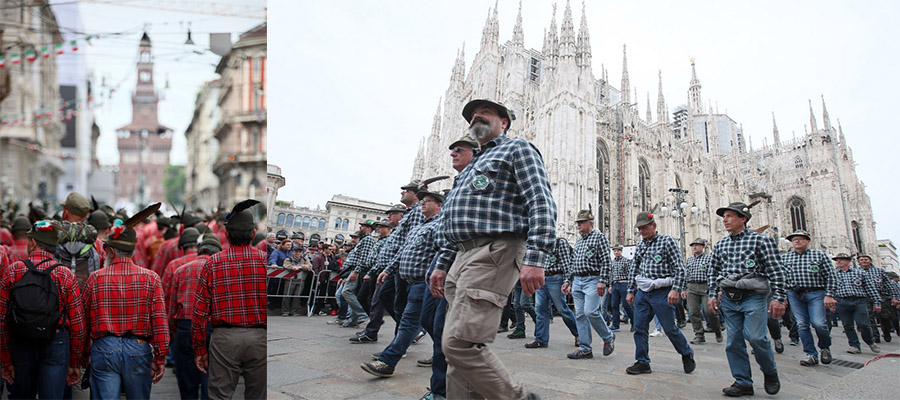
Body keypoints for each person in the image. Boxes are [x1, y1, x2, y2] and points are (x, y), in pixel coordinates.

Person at [429, 98, 555, 400]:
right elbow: (454, 220)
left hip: (495, 251)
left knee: (460, 344)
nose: (476, 118)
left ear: (504, 122)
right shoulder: (472, 166)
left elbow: (540, 201)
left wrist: (536, 258)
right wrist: (443, 262)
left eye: (484, 113)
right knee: (462, 353)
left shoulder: (517, 149)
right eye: (472, 115)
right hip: (462, 256)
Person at [82, 204, 169, 399]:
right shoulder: (151, 278)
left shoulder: (95, 278)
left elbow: (83, 323)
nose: (103, 253)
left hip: (104, 348)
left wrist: (81, 354)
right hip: (138, 348)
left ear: (111, 252)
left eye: (105, 249)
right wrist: (161, 356)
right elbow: (160, 323)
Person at [362, 189, 444, 379]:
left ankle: (388, 361)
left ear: (439, 205)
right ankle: (443, 354)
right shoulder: (418, 227)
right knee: (427, 322)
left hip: (422, 281)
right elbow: (402, 252)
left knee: (410, 321)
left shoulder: (441, 224)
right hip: (406, 280)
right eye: (422, 200)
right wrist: (388, 270)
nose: (423, 203)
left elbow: (443, 250)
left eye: (428, 201)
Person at [0, 220, 86, 399]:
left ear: (32, 243)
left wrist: (6, 360)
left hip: (20, 343)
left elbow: (1, 320)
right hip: (55, 341)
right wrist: (75, 362)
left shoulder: (13, 271)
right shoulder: (65, 275)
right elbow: (78, 324)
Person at [191, 200, 266, 399]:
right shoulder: (264, 261)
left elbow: (199, 312)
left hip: (225, 339)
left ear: (225, 235)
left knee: (219, 396)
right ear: (252, 235)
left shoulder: (212, 263)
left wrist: (199, 348)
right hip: (260, 337)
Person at [707, 202, 784, 397]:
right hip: (729, 298)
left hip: (753, 297)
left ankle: (769, 371)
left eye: (730, 216)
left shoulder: (761, 241)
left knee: (756, 337)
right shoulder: (721, 244)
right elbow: (713, 271)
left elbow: (776, 271)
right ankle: (743, 382)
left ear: (743, 218)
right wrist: (711, 294)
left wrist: (779, 298)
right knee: (733, 342)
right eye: (724, 216)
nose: (725, 220)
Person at [619, 212, 694, 375]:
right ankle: (642, 361)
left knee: (669, 327)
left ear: (654, 225)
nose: (642, 231)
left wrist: (676, 289)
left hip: (663, 291)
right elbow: (634, 268)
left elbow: (680, 268)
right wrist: (631, 291)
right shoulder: (640, 245)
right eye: (640, 228)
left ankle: (686, 352)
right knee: (639, 327)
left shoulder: (667, 242)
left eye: (645, 227)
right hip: (644, 292)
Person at [168, 234, 222, 400]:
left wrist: (174, 334)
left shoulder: (180, 270)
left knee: (187, 379)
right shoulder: (220, 270)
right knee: (211, 376)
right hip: (213, 327)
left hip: (185, 327)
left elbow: (171, 309)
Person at [563, 207, 615, 359]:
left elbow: (606, 260)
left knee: (590, 311)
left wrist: (603, 281)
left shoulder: (599, 237)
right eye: (577, 223)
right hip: (578, 280)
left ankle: (608, 336)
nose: (578, 225)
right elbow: (573, 264)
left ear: (590, 223)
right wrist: (568, 281)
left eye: (581, 222)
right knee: (579, 314)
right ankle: (585, 348)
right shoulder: (578, 243)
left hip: (593, 279)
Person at [780, 230, 836, 366]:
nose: (797, 241)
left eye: (800, 239)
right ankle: (811, 354)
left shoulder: (819, 255)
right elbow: (781, 278)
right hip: (794, 294)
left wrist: (829, 295)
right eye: (794, 239)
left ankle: (824, 347)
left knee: (819, 324)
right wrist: (782, 297)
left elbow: (831, 276)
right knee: (801, 325)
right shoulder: (785, 258)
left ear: (808, 241)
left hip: (816, 293)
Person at [527, 237, 579, 349]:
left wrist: (567, 281)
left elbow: (567, 264)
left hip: (556, 278)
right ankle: (541, 339)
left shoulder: (560, 242)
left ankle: (578, 334)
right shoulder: (539, 244)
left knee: (562, 309)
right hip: (541, 278)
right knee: (540, 309)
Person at [831, 253, 881, 354]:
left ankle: (870, 341)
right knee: (847, 325)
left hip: (858, 301)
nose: (839, 261)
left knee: (863, 324)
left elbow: (870, 288)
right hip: (841, 301)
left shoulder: (859, 273)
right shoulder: (833, 274)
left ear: (848, 261)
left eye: (842, 259)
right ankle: (854, 345)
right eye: (837, 260)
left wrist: (877, 302)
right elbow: (830, 289)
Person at [682, 238, 722, 344]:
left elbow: (714, 274)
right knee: (693, 312)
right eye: (693, 246)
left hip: (706, 286)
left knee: (709, 311)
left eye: (697, 245)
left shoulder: (709, 258)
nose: (694, 247)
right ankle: (699, 335)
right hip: (692, 286)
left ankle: (717, 330)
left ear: (703, 247)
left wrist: (716, 289)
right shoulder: (690, 260)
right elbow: (686, 275)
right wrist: (683, 288)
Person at [857, 254, 900, 343]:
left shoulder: (879, 271)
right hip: (865, 297)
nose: (864, 261)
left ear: (871, 261)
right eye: (861, 260)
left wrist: (894, 297)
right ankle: (875, 336)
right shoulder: (856, 272)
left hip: (881, 296)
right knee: (869, 317)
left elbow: (889, 284)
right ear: (858, 262)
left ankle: (886, 332)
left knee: (885, 316)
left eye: (866, 259)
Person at [609, 243, 635, 332]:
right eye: (615, 250)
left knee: (626, 305)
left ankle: (634, 322)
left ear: (621, 251)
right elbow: (611, 275)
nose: (616, 252)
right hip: (615, 284)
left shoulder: (626, 261)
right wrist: (610, 285)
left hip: (624, 283)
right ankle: (615, 325)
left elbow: (630, 274)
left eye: (618, 250)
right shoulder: (613, 262)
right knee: (614, 305)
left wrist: (631, 287)